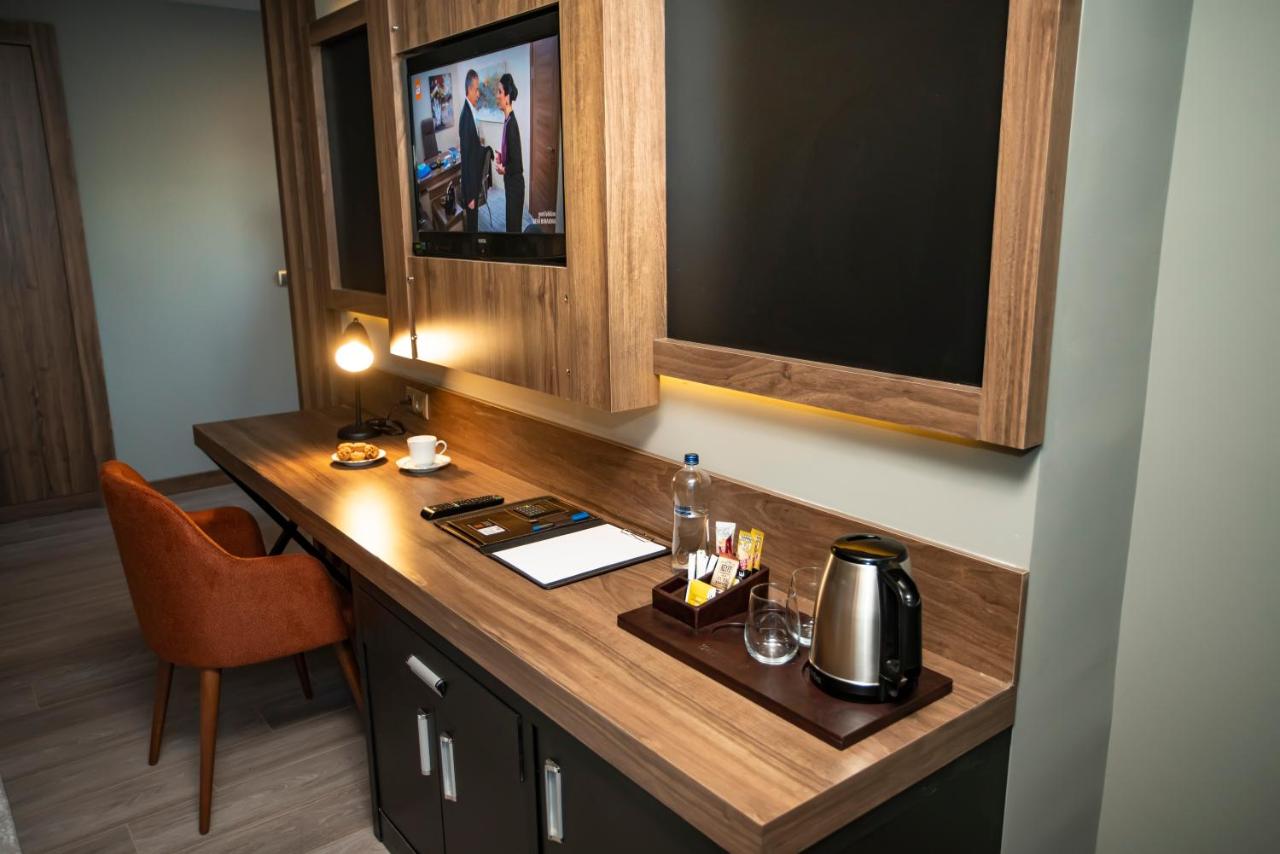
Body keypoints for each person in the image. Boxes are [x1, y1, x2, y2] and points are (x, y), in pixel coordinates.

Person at [494, 72, 524, 234]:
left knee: (513, 231)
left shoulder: (511, 124)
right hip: (510, 184)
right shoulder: (507, 120)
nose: (497, 96)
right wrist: (502, 156)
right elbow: (512, 153)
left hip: (515, 186)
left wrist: (503, 169)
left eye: (499, 92)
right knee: (510, 227)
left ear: (507, 97)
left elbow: (518, 165)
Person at [458, 69, 484, 232]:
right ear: (469, 89)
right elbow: (466, 160)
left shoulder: (471, 112)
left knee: (475, 225)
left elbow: (473, 150)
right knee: (472, 229)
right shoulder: (465, 118)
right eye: (476, 90)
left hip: (474, 183)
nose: (478, 94)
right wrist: (470, 196)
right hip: (470, 188)